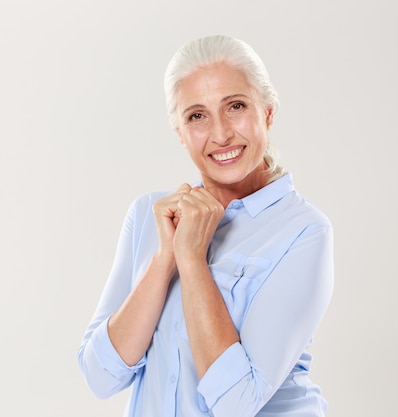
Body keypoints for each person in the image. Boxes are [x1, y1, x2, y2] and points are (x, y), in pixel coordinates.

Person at [78, 35, 334, 417]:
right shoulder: (151, 214)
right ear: (179, 131)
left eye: (235, 106)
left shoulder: (303, 231)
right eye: (196, 116)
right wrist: (166, 257)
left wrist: (192, 259)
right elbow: (100, 378)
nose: (220, 133)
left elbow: (236, 403)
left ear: (267, 111)